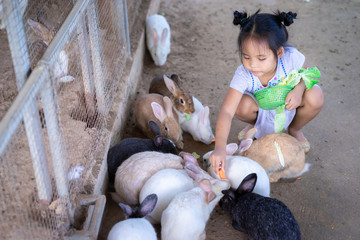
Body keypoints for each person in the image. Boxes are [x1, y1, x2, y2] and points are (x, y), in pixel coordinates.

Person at [209, 10, 324, 174]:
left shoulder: (291, 58)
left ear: (279, 52)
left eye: (261, 58)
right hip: (260, 110)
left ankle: (295, 129)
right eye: (246, 57)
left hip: (288, 107)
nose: (252, 65)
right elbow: (227, 111)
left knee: (316, 95)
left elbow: (310, 74)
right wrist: (220, 147)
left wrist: (299, 90)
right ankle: (255, 126)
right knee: (240, 105)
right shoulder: (243, 74)